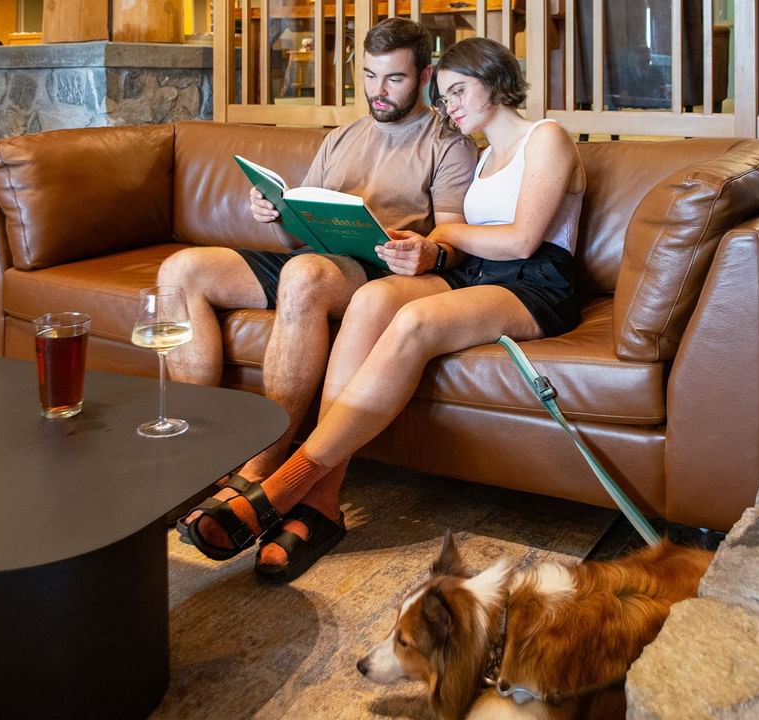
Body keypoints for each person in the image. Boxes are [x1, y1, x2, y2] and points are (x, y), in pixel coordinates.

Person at [184, 36, 587, 581]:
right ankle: (323, 499)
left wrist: (442, 235)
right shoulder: (485, 155)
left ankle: (283, 487)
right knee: (371, 299)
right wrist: (425, 243)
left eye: (458, 91)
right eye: (445, 96)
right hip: (477, 273)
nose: (450, 106)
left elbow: (521, 241)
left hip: (536, 281)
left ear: (494, 80)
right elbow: (466, 244)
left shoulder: (547, 137)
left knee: (414, 321)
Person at [161, 17, 477, 536]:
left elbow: (453, 238)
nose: (378, 90)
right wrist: (275, 214)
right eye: (369, 76)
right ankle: (202, 455)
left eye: (394, 78)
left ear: (425, 77)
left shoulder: (448, 143)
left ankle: (262, 465)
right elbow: (296, 236)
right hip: (315, 258)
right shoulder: (342, 138)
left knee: (305, 273)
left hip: (380, 270)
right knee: (182, 270)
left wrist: (427, 252)